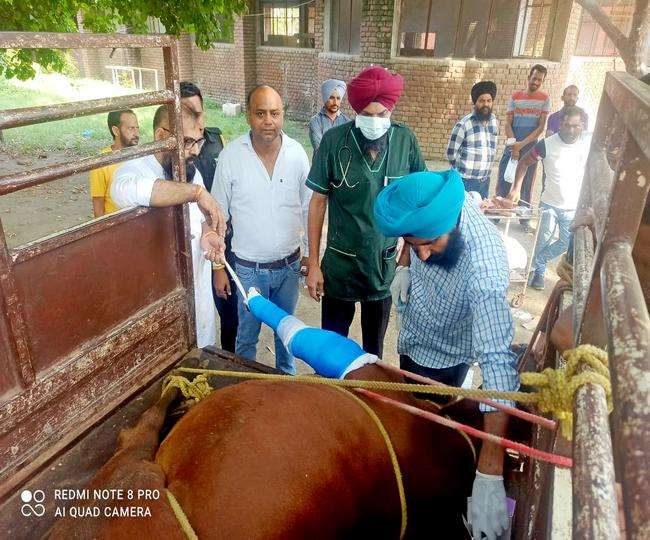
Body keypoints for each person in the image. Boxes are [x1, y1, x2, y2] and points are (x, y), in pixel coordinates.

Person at [373, 169, 518, 540]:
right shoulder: (432, 217)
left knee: (434, 437)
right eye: (412, 242)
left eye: (430, 244)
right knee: (411, 418)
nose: (423, 252)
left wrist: (490, 471)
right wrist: (405, 264)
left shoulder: (484, 263)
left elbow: (498, 369)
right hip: (414, 337)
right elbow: (416, 234)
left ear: (451, 225)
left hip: (447, 360)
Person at [305, 66, 427, 358]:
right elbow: (318, 202)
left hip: (382, 267)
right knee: (331, 351)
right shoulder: (334, 142)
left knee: (374, 351)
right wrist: (313, 263)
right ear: (357, 112)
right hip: (340, 267)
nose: (375, 122)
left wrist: (405, 258)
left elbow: (417, 202)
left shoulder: (405, 141)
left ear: (391, 110)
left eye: (381, 115)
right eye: (367, 116)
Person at [212, 85, 311, 375]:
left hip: (289, 266)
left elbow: (309, 209)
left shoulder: (297, 154)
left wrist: (311, 258)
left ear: (282, 115)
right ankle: (247, 388)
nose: (268, 121)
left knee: (286, 332)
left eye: (275, 113)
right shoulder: (231, 156)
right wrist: (219, 267)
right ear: (248, 116)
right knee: (246, 338)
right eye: (260, 113)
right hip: (247, 271)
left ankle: (286, 385)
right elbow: (218, 216)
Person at [111, 105, 226, 348]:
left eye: (198, 141)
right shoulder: (133, 169)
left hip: (198, 300)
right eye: (187, 142)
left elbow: (199, 223)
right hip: (160, 305)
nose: (194, 150)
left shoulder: (189, 169)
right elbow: (125, 190)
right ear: (162, 137)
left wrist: (208, 238)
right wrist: (196, 193)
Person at [180, 81, 238, 353]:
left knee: (228, 312)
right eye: (189, 112)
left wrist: (218, 266)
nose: (197, 120)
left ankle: (227, 357)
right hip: (189, 255)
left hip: (216, 241)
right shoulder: (173, 153)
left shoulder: (215, 140)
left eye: (198, 112)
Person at [507, 106, 591, 291]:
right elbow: (524, 162)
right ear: (560, 124)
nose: (570, 130)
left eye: (575, 126)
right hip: (549, 204)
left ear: (582, 126)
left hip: (573, 207)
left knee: (565, 242)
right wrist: (516, 188)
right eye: (567, 125)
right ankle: (538, 274)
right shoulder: (546, 145)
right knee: (543, 238)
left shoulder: (587, 143)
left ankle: (533, 265)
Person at [495, 64, 550, 231]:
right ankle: (496, 214)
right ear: (529, 77)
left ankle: (524, 219)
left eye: (540, 80)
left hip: (530, 147)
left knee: (526, 182)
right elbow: (507, 123)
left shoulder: (545, 99)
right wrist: (513, 143)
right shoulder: (515, 97)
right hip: (513, 145)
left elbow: (540, 128)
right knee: (504, 177)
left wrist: (522, 144)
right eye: (534, 78)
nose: (536, 82)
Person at [446, 81, 499, 199]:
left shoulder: (494, 122)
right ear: (475, 102)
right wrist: (462, 171)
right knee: (463, 215)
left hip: (485, 181)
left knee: (480, 214)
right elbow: (451, 153)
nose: (486, 104)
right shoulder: (464, 125)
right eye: (482, 100)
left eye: (489, 101)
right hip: (466, 181)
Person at [89, 110, 139, 217]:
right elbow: (98, 205)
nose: (136, 134)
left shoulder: (142, 154)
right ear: (116, 131)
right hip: (117, 224)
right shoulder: (101, 161)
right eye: (131, 128)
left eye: (137, 128)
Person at [308, 79, 350, 153]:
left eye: (338, 98)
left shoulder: (347, 122)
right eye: (331, 98)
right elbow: (321, 149)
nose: (335, 102)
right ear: (325, 98)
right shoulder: (315, 121)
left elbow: (349, 149)